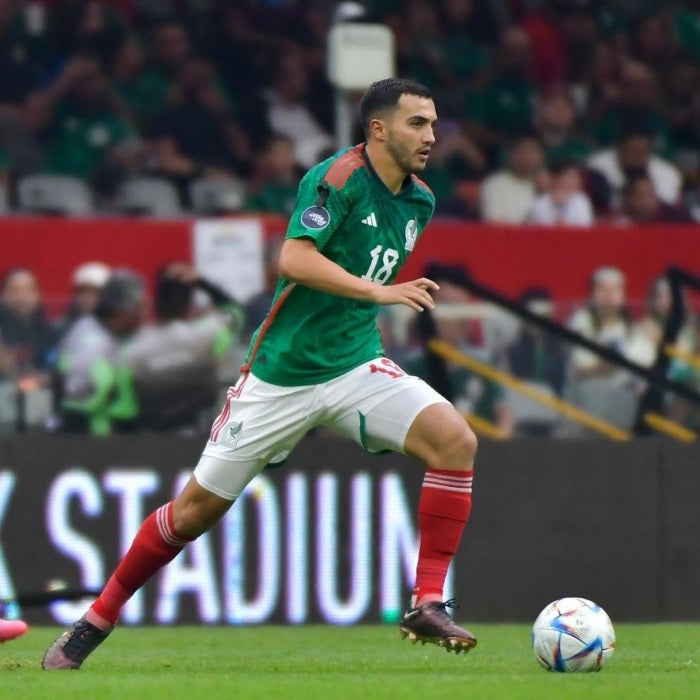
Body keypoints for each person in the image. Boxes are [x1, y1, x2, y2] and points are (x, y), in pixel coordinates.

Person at [42, 77, 479, 670]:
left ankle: (427, 600)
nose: (431, 136)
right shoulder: (338, 179)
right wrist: (381, 291)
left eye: (432, 124)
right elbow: (295, 258)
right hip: (280, 376)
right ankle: (97, 618)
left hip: (354, 364)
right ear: (378, 129)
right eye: (417, 124)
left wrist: (372, 303)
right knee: (194, 511)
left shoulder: (419, 201)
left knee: (456, 440)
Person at [119, 262, 245, 433]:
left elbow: (126, 410)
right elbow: (235, 312)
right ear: (189, 305)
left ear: (155, 305)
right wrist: (201, 282)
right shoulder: (209, 335)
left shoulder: (132, 351)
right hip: (201, 438)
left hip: (152, 442)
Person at [55, 269, 146, 436]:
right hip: (99, 442)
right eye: (139, 308)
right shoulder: (91, 344)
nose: (143, 316)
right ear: (122, 312)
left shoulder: (109, 335)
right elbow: (77, 400)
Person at [526, 159, 595, 226]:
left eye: (575, 177)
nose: (574, 181)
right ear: (554, 178)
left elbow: (585, 227)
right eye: (568, 177)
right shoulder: (539, 204)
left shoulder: (582, 200)